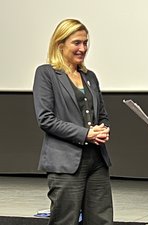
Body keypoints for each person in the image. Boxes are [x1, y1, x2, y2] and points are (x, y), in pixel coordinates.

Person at [33, 19, 113, 225]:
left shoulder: (90, 76)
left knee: (101, 221)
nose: (83, 48)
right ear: (60, 45)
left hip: (97, 161)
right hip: (65, 163)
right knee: (65, 220)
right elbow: (46, 119)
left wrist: (102, 129)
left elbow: (102, 114)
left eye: (85, 43)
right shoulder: (46, 74)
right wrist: (85, 134)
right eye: (76, 43)